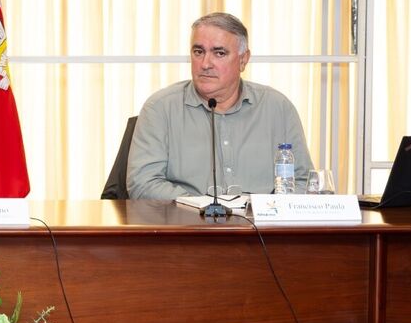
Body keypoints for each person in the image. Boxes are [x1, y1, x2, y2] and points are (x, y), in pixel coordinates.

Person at [126, 12, 312, 199]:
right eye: (198, 52)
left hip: (259, 225)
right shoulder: (160, 108)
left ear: (243, 60)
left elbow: (302, 181)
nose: (205, 64)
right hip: (187, 224)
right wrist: (201, 208)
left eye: (219, 53)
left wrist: (263, 210)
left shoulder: (278, 108)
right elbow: (143, 184)